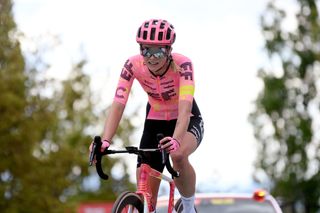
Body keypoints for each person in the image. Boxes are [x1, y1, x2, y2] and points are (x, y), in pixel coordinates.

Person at [91, 19, 204, 213]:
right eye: (145, 50)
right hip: (155, 122)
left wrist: (176, 140)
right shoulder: (132, 65)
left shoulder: (183, 64)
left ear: (169, 50)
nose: (151, 57)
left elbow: (185, 109)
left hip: (187, 120)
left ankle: (187, 208)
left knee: (177, 156)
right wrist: (106, 140)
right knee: (147, 198)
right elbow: (118, 105)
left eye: (157, 51)